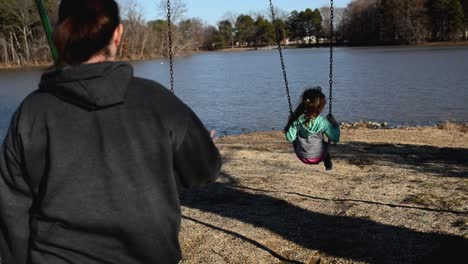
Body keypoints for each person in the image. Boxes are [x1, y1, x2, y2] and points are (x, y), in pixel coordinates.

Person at [0, 0, 221, 263]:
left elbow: (12, 211)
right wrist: (191, 153)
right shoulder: (158, 100)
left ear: (61, 32)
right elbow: (204, 169)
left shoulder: (31, 113)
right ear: (118, 34)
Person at [284, 87, 340, 170]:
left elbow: (290, 138)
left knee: (295, 138)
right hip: (319, 156)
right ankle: (327, 162)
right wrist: (335, 124)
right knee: (324, 144)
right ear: (319, 107)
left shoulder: (297, 120)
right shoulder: (323, 122)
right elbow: (335, 139)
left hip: (302, 156)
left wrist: (290, 122)